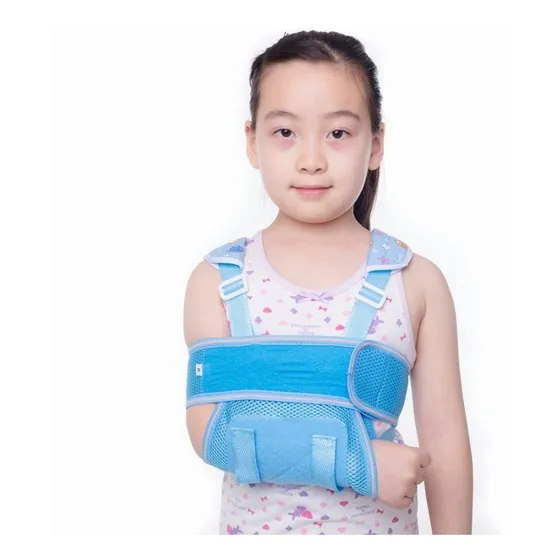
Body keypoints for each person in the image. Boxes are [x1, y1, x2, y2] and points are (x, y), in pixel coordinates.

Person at [183, 30, 473, 535]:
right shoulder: (218, 281)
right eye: (285, 132)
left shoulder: (414, 282)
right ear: (252, 142)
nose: (311, 159)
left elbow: (445, 444)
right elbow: (211, 434)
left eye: (338, 133)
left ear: (375, 144)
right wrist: (357, 463)